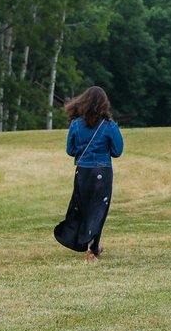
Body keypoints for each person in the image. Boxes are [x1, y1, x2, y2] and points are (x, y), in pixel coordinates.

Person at [53, 86, 124, 262]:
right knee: (98, 210)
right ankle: (92, 249)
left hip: (82, 172)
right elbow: (117, 151)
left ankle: (91, 244)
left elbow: (70, 150)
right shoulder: (108, 125)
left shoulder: (76, 124)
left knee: (84, 208)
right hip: (103, 172)